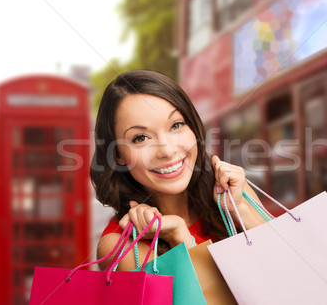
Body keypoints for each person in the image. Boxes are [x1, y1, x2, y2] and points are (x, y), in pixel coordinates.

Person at [91, 70, 266, 271]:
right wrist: (181, 238)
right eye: (140, 138)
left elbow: (290, 267)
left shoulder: (234, 195)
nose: (167, 150)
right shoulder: (121, 247)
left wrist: (240, 209)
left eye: (176, 125)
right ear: (117, 155)